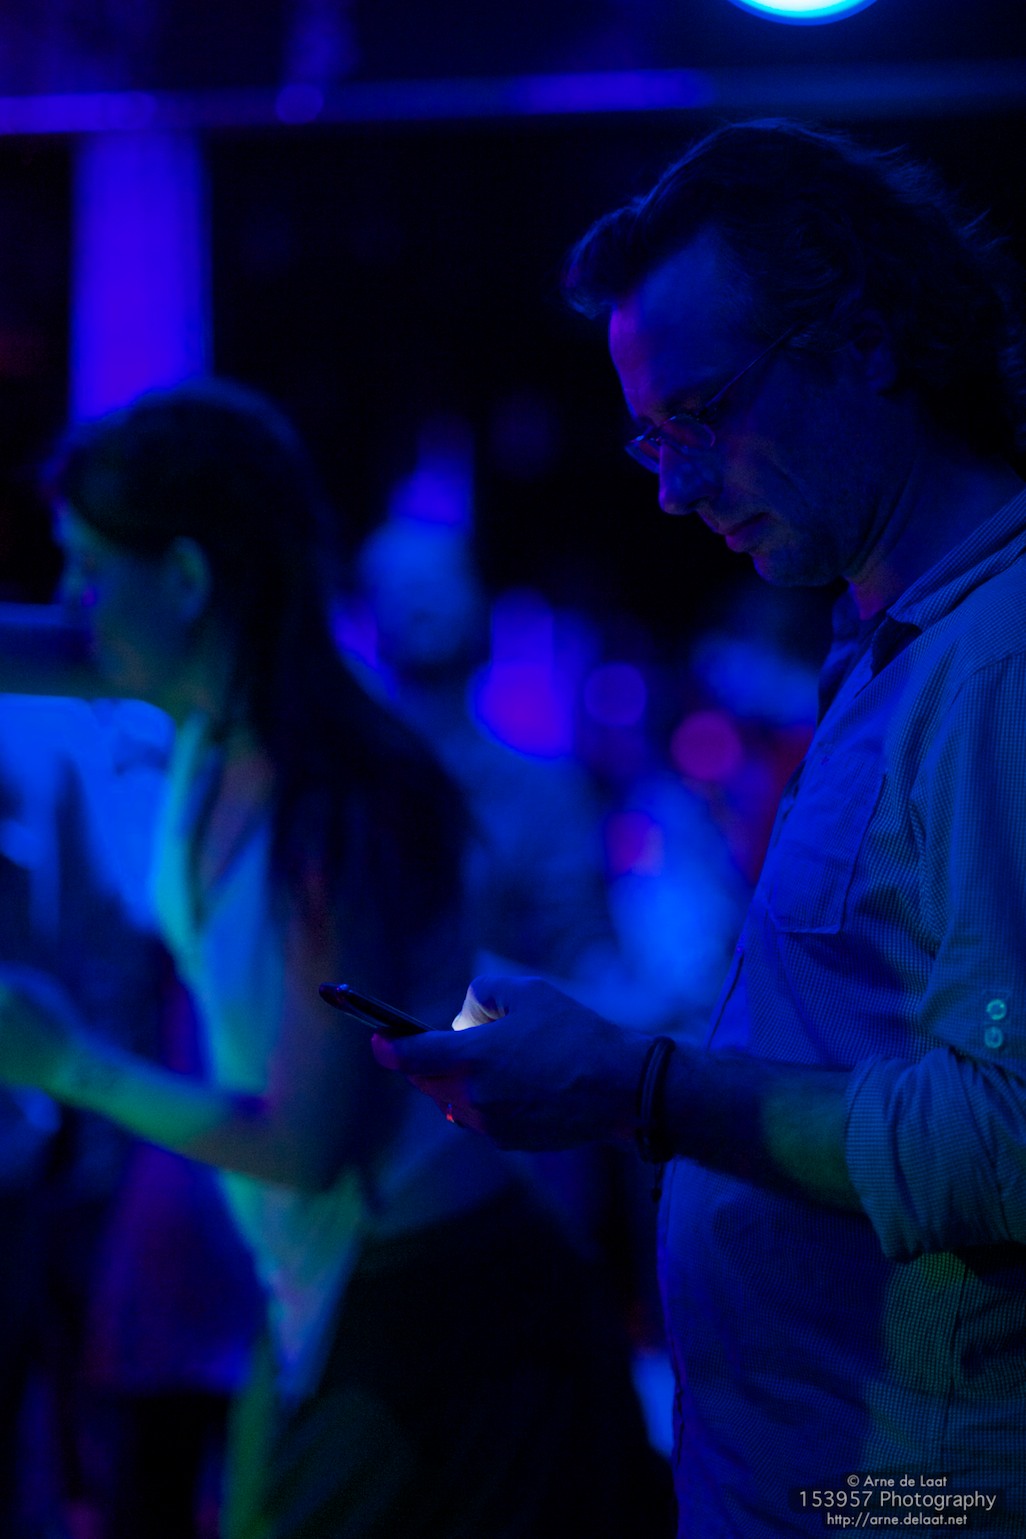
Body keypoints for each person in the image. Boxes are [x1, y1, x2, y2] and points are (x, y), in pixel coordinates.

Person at [374, 120, 1026, 1535]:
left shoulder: (997, 664)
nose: (672, 487)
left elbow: (1008, 1132)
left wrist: (640, 1086)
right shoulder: (897, 649)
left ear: (863, 342)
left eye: (703, 415)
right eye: (650, 438)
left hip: (911, 1500)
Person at [0, 379, 670, 1538]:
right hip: (349, 1279)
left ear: (188, 579)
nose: (67, 601)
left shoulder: (329, 803)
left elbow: (301, 1145)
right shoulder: (217, 703)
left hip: (440, 1296)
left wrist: (66, 1063)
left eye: (89, 568)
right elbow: (56, 643)